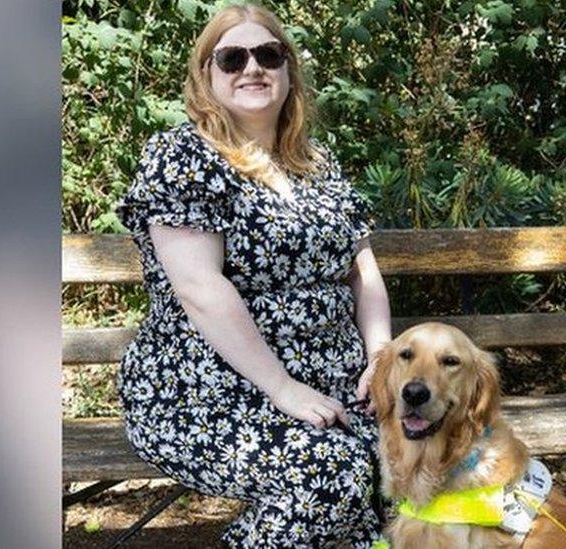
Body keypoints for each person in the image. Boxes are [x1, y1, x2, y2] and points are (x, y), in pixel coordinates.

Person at [114, 4, 393, 547]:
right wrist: (283, 387)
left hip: (334, 388)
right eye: (232, 57)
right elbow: (199, 288)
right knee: (329, 477)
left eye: (269, 54)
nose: (252, 68)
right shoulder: (184, 155)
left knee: (396, 476)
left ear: (289, 72)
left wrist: (380, 357)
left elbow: (364, 273)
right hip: (206, 392)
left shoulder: (317, 163)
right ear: (207, 75)